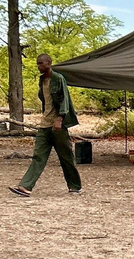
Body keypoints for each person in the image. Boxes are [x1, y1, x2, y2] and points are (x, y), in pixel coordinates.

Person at [9, 54, 82, 197]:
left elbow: (64, 100)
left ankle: (75, 186)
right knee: (38, 156)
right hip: (44, 124)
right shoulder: (42, 80)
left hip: (58, 125)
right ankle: (25, 187)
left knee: (66, 157)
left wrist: (60, 118)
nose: (38, 66)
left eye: (41, 63)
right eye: (37, 64)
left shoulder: (58, 79)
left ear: (49, 63)